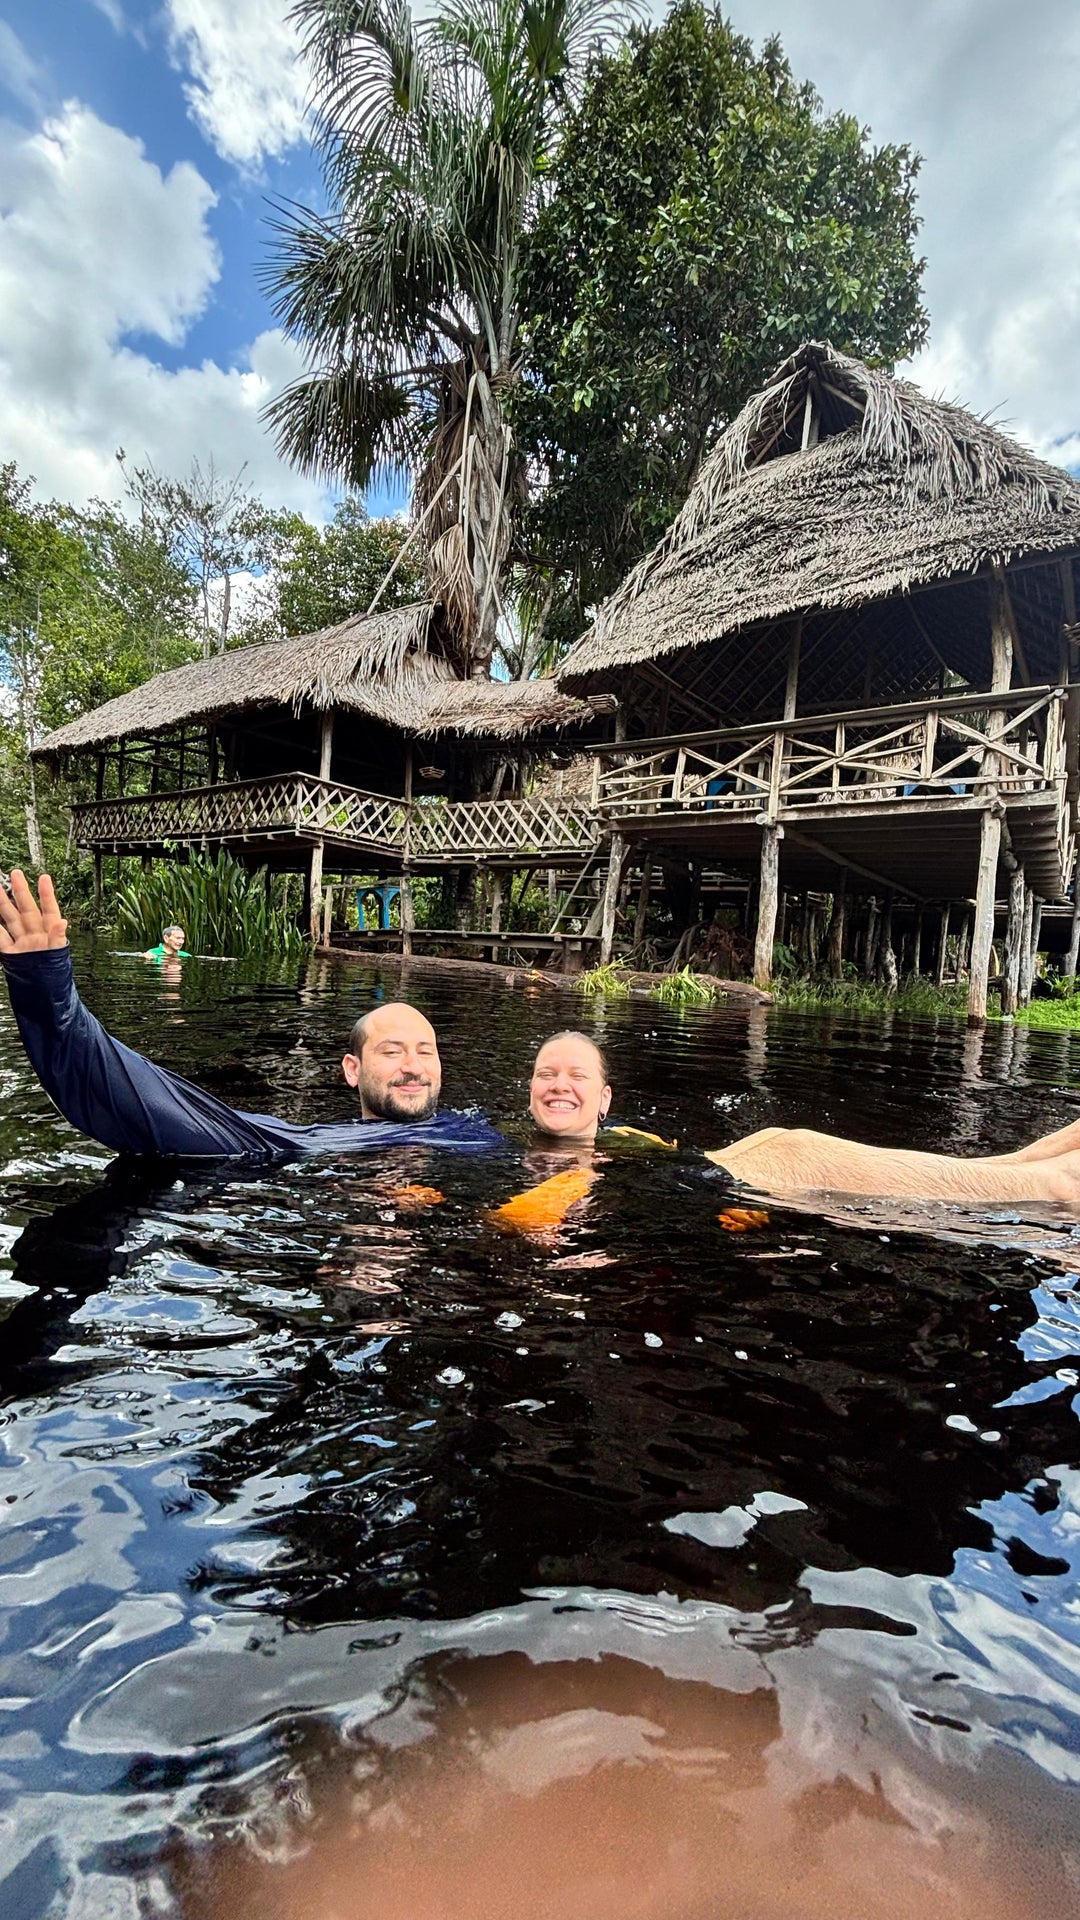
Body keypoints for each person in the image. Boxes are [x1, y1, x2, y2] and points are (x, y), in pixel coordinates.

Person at [0, 870, 499, 1161]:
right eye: (391, 1051)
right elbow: (142, 1099)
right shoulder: (287, 1144)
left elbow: (566, 1167)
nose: (412, 1064)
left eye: (424, 1051)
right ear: (353, 1070)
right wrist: (47, 987)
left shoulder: (473, 1135)